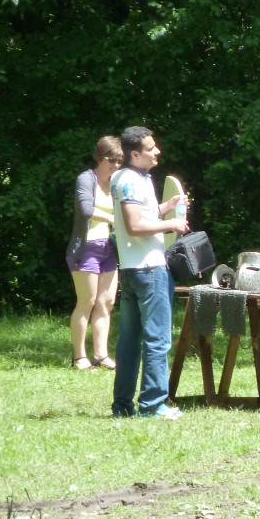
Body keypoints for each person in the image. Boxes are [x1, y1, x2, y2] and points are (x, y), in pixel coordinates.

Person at [110, 126, 189, 420]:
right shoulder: (131, 180)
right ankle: (153, 405)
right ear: (134, 154)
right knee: (157, 340)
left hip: (132, 269)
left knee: (129, 342)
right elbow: (134, 225)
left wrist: (168, 207)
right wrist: (172, 225)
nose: (157, 151)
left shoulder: (128, 178)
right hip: (149, 270)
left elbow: (142, 215)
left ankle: (122, 406)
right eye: (150, 148)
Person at [66, 136, 123, 370]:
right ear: (99, 157)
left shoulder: (116, 182)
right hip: (85, 248)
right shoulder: (86, 179)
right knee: (87, 301)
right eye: (111, 160)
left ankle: (101, 355)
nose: (116, 165)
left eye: (119, 161)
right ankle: (79, 357)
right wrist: (113, 218)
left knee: (106, 302)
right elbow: (86, 209)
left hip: (110, 248)